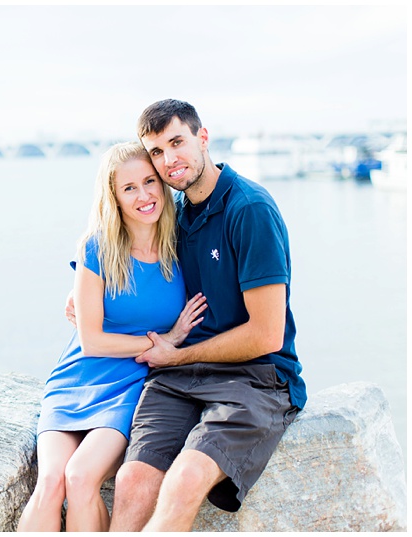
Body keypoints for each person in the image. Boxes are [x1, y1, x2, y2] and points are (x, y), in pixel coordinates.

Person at [65, 99, 307, 531]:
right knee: (134, 479)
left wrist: (174, 355)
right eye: (156, 151)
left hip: (256, 377)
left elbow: (267, 333)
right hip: (183, 377)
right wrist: (79, 290)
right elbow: (121, 249)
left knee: (184, 479)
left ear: (203, 138)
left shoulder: (248, 209)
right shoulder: (175, 214)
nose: (168, 160)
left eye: (177, 142)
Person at [17, 142, 207, 532]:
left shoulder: (182, 245)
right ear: (114, 197)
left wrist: (173, 346)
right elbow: (92, 341)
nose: (144, 195)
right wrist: (164, 341)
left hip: (131, 384)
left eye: (150, 182)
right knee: (51, 481)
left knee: (82, 478)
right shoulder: (97, 247)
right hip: (76, 379)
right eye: (130, 188)